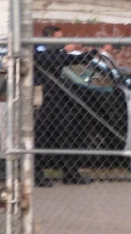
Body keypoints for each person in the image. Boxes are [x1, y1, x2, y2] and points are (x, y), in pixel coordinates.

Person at [34, 25, 99, 187]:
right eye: (59, 38)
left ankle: (70, 173)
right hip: (43, 101)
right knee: (40, 139)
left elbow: (75, 60)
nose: (62, 41)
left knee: (67, 136)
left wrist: (95, 51)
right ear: (49, 38)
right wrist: (66, 50)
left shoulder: (57, 52)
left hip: (58, 100)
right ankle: (36, 174)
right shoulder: (39, 49)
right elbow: (49, 61)